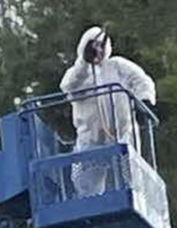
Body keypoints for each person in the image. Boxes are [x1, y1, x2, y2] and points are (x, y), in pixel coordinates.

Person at [60, 26, 156, 197]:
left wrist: (145, 100)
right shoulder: (77, 74)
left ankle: (134, 195)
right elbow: (67, 87)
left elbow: (141, 80)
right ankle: (87, 202)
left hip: (123, 133)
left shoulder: (117, 66)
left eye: (101, 45)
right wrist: (84, 62)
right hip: (90, 139)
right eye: (93, 45)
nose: (98, 49)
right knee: (85, 184)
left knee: (131, 175)